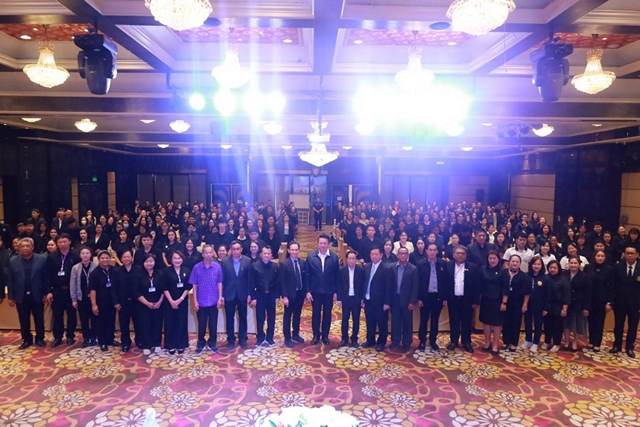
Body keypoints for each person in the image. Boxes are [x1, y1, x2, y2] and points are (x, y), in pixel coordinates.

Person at [6, 238, 49, 349]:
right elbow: (10, 280)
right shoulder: (13, 261)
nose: (25, 248)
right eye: (23, 246)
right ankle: (27, 339)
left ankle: (40, 338)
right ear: (19, 248)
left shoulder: (42, 259)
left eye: (28, 246)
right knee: (23, 319)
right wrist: (11, 296)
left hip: (37, 294)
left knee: (39, 318)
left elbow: (46, 278)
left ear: (32, 247)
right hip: (20, 295)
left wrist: (46, 292)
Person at [305, 234, 340, 345]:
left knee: (327, 314)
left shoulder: (334, 257)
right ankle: (316, 335)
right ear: (318, 244)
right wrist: (307, 291)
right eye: (321, 243)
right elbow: (307, 275)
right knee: (316, 313)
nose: (323, 245)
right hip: (315, 291)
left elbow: (337, 276)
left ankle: (325, 335)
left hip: (329, 291)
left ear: (328, 244)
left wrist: (336, 292)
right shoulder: (311, 257)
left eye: (325, 243)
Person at [189, 245, 224, 354]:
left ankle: (212, 343)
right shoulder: (196, 267)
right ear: (202, 254)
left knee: (213, 324)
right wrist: (195, 300)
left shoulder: (217, 267)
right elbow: (194, 285)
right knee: (202, 324)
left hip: (214, 300)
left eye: (210, 252)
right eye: (206, 253)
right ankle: (201, 343)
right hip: (201, 301)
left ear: (213, 253)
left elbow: (219, 283)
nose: (208, 255)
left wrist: (220, 298)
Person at [47, 233, 80, 347]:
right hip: (57, 290)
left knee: (71, 314)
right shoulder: (52, 256)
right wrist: (49, 291)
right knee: (57, 314)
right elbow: (48, 275)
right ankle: (58, 337)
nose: (62, 244)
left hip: (71, 290)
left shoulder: (76, 255)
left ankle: (70, 336)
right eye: (60, 242)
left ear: (69, 242)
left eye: (64, 241)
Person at [445, 245, 480, 353]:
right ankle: (454, 341)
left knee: (466, 322)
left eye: (462, 253)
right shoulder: (448, 265)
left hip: (467, 299)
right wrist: (445, 298)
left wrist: (476, 301)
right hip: (453, 299)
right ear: (453, 254)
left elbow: (477, 285)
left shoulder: (473, 267)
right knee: (454, 321)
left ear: (466, 255)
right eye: (458, 253)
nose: (460, 255)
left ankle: (466, 342)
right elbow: (444, 283)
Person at [609, 244, 640, 358]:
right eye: (628, 253)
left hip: (636, 303)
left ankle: (629, 347)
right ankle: (617, 345)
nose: (630, 255)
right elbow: (612, 285)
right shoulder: (617, 267)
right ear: (624, 254)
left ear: (637, 255)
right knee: (618, 324)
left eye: (632, 253)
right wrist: (611, 301)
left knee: (633, 326)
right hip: (620, 301)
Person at [221, 240, 252, 349]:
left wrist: (249, 293)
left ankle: (243, 339)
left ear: (241, 249)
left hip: (243, 294)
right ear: (231, 250)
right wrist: (221, 295)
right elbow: (222, 280)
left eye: (238, 249)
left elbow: (249, 279)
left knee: (243, 318)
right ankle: (230, 340)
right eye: (233, 249)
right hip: (229, 294)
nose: (235, 251)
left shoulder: (247, 261)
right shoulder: (225, 262)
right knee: (229, 318)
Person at [417, 243, 447, 351]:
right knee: (423, 320)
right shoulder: (420, 264)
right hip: (425, 297)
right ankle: (422, 341)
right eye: (430, 250)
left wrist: (445, 298)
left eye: (434, 250)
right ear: (426, 251)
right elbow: (418, 282)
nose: (432, 252)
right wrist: (419, 298)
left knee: (435, 320)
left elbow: (446, 282)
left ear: (437, 251)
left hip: (438, 297)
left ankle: (433, 340)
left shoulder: (443, 263)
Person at [162, 251, 192, 354]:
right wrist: (171, 301)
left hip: (182, 301)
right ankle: (170, 345)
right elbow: (164, 287)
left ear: (182, 259)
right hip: (169, 302)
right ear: (171, 259)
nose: (177, 260)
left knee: (181, 322)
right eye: (175, 258)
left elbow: (188, 286)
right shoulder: (166, 271)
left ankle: (181, 344)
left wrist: (181, 299)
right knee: (170, 323)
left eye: (179, 258)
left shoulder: (186, 270)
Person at [389, 247, 419, 352]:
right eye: (401, 253)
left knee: (407, 322)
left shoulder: (413, 268)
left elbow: (415, 286)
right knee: (395, 321)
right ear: (397, 255)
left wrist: (412, 301)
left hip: (407, 300)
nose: (403, 255)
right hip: (394, 299)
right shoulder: (391, 267)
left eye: (405, 253)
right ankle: (395, 341)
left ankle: (407, 342)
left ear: (408, 255)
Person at [362, 247, 391, 352]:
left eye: (376, 254)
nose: (374, 256)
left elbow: (389, 287)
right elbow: (364, 283)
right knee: (370, 321)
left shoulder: (386, 268)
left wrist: (387, 302)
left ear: (381, 255)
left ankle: (381, 342)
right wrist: (363, 298)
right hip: (368, 299)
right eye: (372, 254)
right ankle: (370, 340)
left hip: (381, 301)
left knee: (382, 323)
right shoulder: (367, 266)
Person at [249, 246, 280, 347]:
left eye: (268, 253)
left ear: (271, 255)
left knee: (271, 317)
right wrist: (253, 297)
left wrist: (277, 296)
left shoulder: (275, 266)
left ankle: (270, 338)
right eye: (265, 253)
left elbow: (278, 282)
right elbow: (251, 283)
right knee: (260, 317)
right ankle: (260, 338)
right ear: (261, 254)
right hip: (260, 295)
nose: (266, 255)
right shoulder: (255, 266)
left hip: (271, 295)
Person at [89, 251, 119, 351]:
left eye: (107, 258)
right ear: (98, 259)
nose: (105, 260)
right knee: (101, 322)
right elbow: (92, 290)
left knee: (111, 320)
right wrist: (94, 304)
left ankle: (110, 339)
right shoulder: (95, 273)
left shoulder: (114, 270)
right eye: (102, 258)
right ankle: (102, 341)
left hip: (112, 300)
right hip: (100, 301)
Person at [279, 241, 307, 348]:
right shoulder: (284, 264)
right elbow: (282, 282)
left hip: (300, 294)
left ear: (299, 250)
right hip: (289, 295)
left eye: (296, 250)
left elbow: (304, 278)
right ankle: (287, 337)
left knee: (297, 315)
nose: (294, 252)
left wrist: (306, 292)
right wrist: (284, 296)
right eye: (292, 250)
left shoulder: (302, 263)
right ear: (288, 250)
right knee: (287, 316)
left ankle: (295, 334)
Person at [113, 249, 142, 353]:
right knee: (124, 324)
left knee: (138, 323)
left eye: (128, 256)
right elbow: (113, 288)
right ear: (121, 259)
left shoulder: (139, 269)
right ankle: (125, 342)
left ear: (132, 257)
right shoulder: (117, 271)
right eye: (124, 257)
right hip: (123, 302)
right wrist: (116, 302)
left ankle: (139, 340)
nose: (126, 258)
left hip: (136, 301)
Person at [479, 250, 507, 354]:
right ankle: (487, 343)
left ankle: (495, 345)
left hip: (498, 301)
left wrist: (504, 302)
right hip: (486, 300)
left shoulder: (503, 271)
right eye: (490, 258)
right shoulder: (483, 269)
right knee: (486, 322)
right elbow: (479, 285)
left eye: (494, 258)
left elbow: (505, 288)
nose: (492, 260)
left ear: (498, 259)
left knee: (496, 324)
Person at [135, 254, 164, 355]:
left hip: (158, 303)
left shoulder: (160, 273)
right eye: (146, 261)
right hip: (143, 304)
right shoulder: (138, 274)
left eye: (151, 261)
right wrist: (147, 303)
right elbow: (136, 292)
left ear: (155, 262)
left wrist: (160, 301)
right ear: (143, 263)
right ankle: (146, 345)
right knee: (145, 324)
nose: (149, 263)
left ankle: (157, 343)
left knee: (157, 323)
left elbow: (164, 289)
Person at [584, 250, 613, 352]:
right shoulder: (588, 267)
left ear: (605, 257)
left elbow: (611, 286)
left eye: (602, 256)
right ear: (594, 256)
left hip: (602, 300)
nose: (600, 258)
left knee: (599, 322)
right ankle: (591, 341)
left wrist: (609, 302)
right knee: (590, 321)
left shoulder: (609, 269)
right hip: (589, 299)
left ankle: (597, 343)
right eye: (598, 256)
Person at [70, 245, 98, 347]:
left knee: (94, 318)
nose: (85, 255)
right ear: (80, 255)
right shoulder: (75, 268)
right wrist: (74, 299)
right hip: (81, 297)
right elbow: (73, 284)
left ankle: (93, 337)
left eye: (87, 253)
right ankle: (86, 338)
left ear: (91, 255)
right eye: (83, 253)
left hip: (94, 298)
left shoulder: (96, 266)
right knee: (84, 319)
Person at [501, 255, 530, 352]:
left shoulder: (524, 276)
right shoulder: (503, 273)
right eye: (513, 261)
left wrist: (525, 304)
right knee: (505, 322)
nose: (515, 263)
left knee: (515, 323)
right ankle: (506, 342)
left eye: (517, 262)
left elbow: (527, 292)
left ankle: (513, 343)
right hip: (505, 301)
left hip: (518, 302)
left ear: (520, 263)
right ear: (509, 262)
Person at [523, 256, 551, 353]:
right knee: (527, 322)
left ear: (542, 266)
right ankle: (528, 340)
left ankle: (535, 342)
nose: (536, 266)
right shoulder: (526, 276)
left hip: (540, 305)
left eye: (539, 264)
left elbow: (548, 294)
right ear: (531, 265)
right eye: (535, 264)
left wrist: (546, 307)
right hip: (528, 304)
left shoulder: (546, 278)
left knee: (538, 324)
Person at [563, 256, 591, 352]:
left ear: (579, 264)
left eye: (575, 263)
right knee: (566, 324)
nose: (573, 265)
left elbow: (588, 293)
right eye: (571, 263)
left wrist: (586, 307)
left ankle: (575, 342)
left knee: (577, 324)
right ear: (568, 264)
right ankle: (567, 341)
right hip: (566, 303)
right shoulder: (564, 274)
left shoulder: (585, 276)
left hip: (579, 304)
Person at [337, 250, 364, 348]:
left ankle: (354, 338)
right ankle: (344, 338)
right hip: (346, 298)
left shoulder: (361, 270)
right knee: (345, 319)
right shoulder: (342, 270)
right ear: (347, 259)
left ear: (356, 260)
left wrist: (362, 298)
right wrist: (339, 299)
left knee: (356, 319)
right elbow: (339, 286)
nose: (351, 260)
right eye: (350, 258)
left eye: (353, 258)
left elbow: (363, 286)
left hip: (357, 298)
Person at [542, 260, 571, 352]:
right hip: (547, 306)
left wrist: (564, 308)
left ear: (558, 269)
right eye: (551, 268)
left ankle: (557, 343)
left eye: (555, 268)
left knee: (557, 326)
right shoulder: (545, 278)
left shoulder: (563, 279)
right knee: (547, 325)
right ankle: (547, 341)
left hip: (558, 307)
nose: (552, 269)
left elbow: (567, 295)